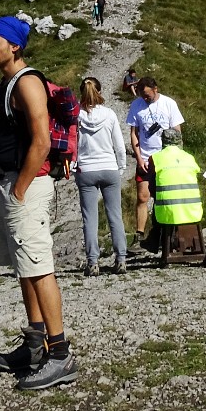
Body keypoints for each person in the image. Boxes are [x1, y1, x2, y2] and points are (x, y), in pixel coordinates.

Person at [0, 16, 79, 390]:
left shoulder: (27, 83)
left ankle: (60, 355)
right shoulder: (8, 83)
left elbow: (40, 141)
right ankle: (35, 345)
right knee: (25, 268)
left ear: (14, 46)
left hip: (27, 187)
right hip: (10, 183)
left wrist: (21, 189)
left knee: (39, 268)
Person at [76, 76, 127, 276]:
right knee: (115, 216)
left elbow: (73, 145)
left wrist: (73, 167)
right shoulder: (109, 114)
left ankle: (93, 262)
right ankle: (121, 259)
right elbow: (119, 146)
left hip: (86, 170)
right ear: (100, 91)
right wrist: (120, 168)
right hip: (109, 168)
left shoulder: (76, 116)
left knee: (90, 218)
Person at [125, 77, 184, 249]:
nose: (145, 98)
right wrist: (139, 157)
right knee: (142, 196)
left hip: (165, 158)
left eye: (148, 95)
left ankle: (167, 234)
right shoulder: (136, 106)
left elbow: (177, 130)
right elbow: (134, 133)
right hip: (145, 156)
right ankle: (139, 234)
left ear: (155, 89)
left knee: (164, 196)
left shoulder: (169, 104)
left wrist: (176, 156)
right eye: (143, 95)